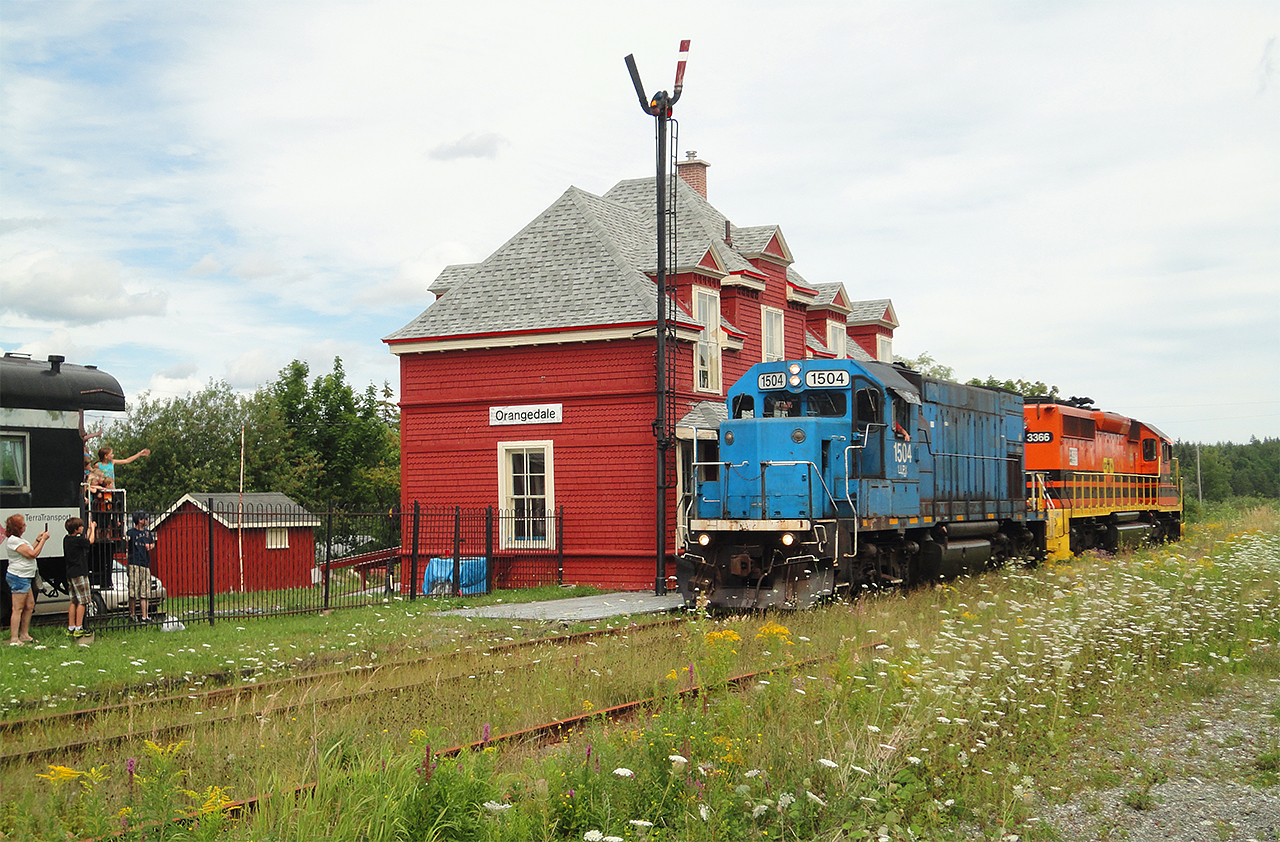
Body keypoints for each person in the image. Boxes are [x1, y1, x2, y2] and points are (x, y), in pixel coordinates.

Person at [4, 514, 50, 646]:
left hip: (25, 576)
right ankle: (14, 638)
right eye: (23, 524)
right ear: (17, 528)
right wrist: (43, 541)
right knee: (17, 608)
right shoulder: (13, 541)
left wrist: (37, 539)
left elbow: (29, 549)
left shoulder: (18, 539)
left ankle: (24, 634)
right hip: (19, 576)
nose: (25, 526)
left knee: (29, 605)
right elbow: (32, 554)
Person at [63, 517, 96, 638]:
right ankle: (79, 627)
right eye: (81, 526)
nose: (82, 528)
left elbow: (84, 541)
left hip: (70, 572)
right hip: (80, 573)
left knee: (73, 601)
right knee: (83, 601)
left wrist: (87, 532)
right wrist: (93, 529)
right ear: (77, 529)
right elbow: (90, 541)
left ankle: (71, 627)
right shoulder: (77, 540)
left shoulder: (67, 539)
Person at [125, 511, 156, 624]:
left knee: (145, 591)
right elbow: (125, 540)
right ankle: (132, 615)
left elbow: (153, 543)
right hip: (134, 563)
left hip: (145, 563)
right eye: (145, 519)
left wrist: (150, 546)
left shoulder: (148, 533)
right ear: (140, 520)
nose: (147, 521)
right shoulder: (131, 533)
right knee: (133, 590)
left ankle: (145, 616)